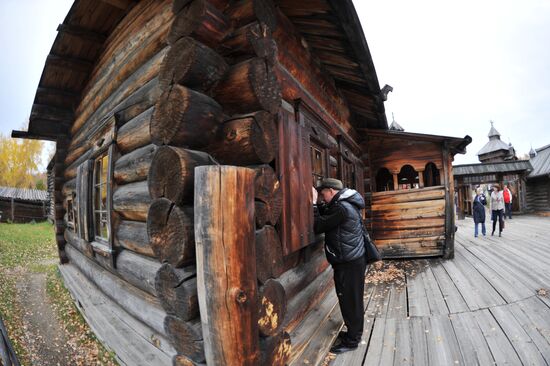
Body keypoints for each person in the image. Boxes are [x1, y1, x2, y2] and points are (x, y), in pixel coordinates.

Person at [311, 178, 367, 354]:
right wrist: (319, 206)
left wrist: (313, 205)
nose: (321, 197)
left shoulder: (341, 208)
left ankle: (352, 340)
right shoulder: (343, 204)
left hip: (348, 263)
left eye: (323, 193)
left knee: (351, 301)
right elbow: (328, 215)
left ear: (331, 191)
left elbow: (319, 225)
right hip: (352, 261)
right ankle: (353, 333)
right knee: (350, 299)